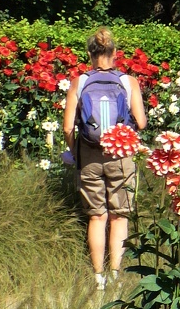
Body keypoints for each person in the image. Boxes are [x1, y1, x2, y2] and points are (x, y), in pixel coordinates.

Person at [62, 28, 147, 291]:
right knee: (119, 216)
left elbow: (67, 128)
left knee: (96, 216)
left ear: (90, 53)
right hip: (121, 156)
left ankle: (98, 277)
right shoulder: (127, 82)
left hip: (88, 155)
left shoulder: (80, 82)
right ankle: (115, 274)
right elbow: (141, 123)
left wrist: (77, 151)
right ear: (114, 53)